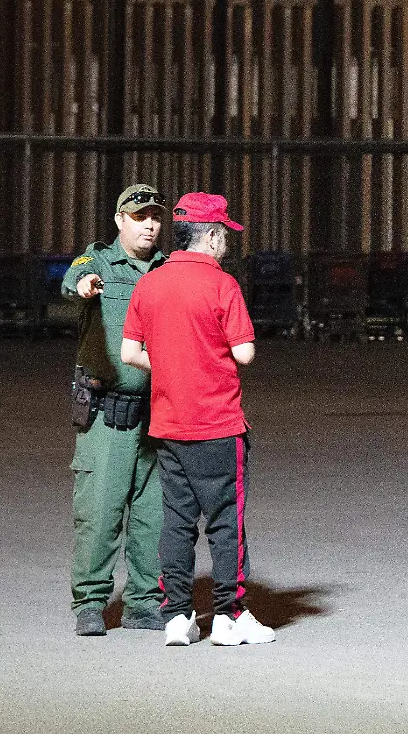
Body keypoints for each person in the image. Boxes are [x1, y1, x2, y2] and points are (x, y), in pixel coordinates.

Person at [119, 193, 275, 647]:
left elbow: (130, 354)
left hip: (168, 426)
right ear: (209, 236)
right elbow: (244, 353)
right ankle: (228, 615)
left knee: (177, 521)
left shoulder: (150, 283)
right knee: (227, 522)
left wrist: (171, 361)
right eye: (224, 233)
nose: (227, 241)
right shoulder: (222, 285)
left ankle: (178, 616)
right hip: (219, 425)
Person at [62, 184, 170, 637]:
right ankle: (90, 602)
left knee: (153, 514)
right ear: (119, 220)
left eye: (155, 216)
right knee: (100, 511)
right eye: (139, 215)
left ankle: (144, 602)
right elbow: (72, 281)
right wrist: (84, 286)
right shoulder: (98, 261)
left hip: (159, 412)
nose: (149, 224)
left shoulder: (168, 270)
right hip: (107, 413)